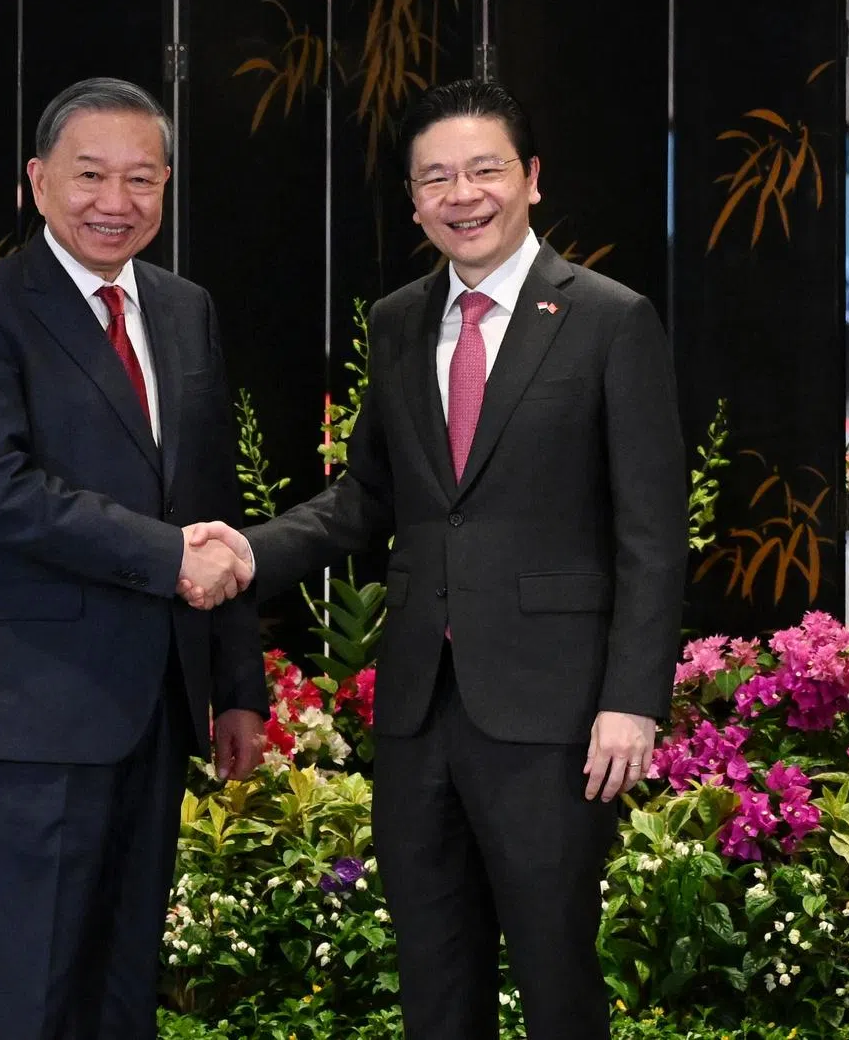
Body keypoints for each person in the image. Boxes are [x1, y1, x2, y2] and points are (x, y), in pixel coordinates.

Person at [185, 79, 687, 1039]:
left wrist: (632, 700)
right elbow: (368, 496)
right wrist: (247, 550)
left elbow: (652, 535)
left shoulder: (610, 319)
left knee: (556, 976)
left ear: (531, 178)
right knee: (434, 976)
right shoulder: (398, 320)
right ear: (414, 201)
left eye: (484, 170)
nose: (463, 195)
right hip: (419, 709)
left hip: (554, 713)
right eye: (436, 178)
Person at [0, 77, 266, 1040]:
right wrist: (167, 557)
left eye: (141, 178)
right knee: (26, 996)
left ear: (165, 188)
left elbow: (214, 507)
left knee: (124, 991)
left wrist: (236, 686)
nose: (116, 201)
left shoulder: (186, 309)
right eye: (89, 175)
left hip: (158, 706)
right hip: (36, 708)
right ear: (37, 181)